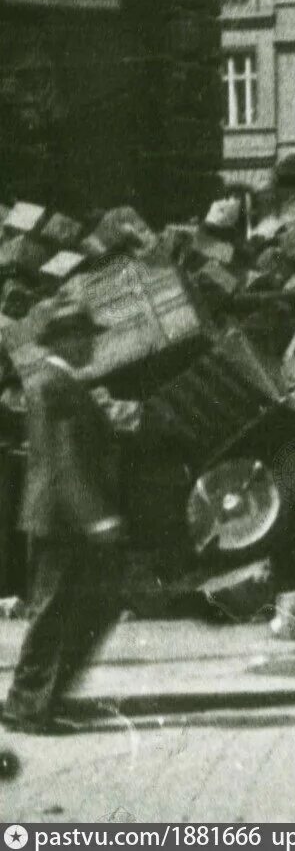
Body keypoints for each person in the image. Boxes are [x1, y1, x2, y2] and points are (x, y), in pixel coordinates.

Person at [2, 300, 126, 736]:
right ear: (65, 341)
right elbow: (66, 459)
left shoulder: (59, 382)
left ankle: (36, 700)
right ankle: (27, 706)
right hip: (63, 518)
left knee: (62, 609)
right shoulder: (54, 385)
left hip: (58, 515)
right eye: (86, 337)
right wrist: (95, 518)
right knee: (53, 610)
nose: (92, 344)